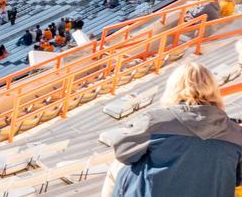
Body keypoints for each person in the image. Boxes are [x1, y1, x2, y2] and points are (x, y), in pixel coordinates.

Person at [100, 63, 242, 197]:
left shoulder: (156, 121)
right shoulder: (236, 133)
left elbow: (123, 153)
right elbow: (237, 178)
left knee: (118, 165)